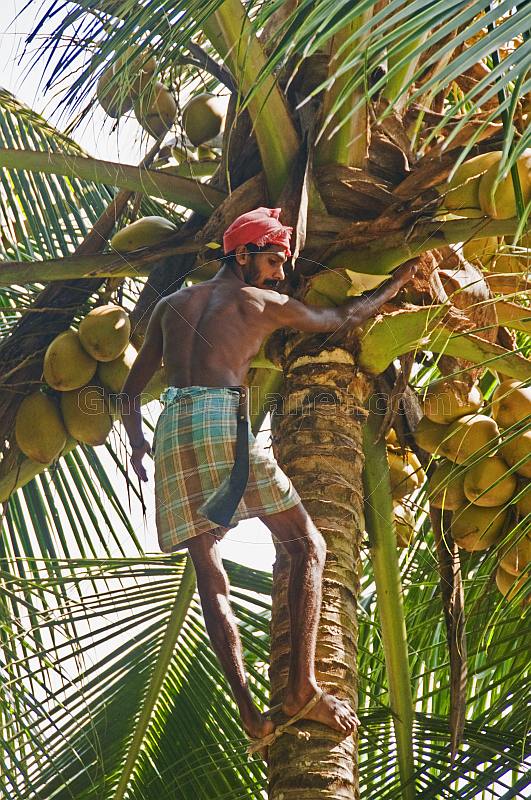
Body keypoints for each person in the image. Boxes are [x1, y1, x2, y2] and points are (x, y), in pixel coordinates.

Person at [121, 207, 417, 758]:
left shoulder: (169, 307)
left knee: (209, 574)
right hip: (220, 417)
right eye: (275, 258)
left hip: (172, 428)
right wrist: (394, 286)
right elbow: (339, 320)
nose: (281, 272)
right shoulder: (260, 303)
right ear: (242, 254)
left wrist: (139, 445)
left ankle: (251, 714)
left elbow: (130, 393)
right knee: (308, 544)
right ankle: (301, 689)